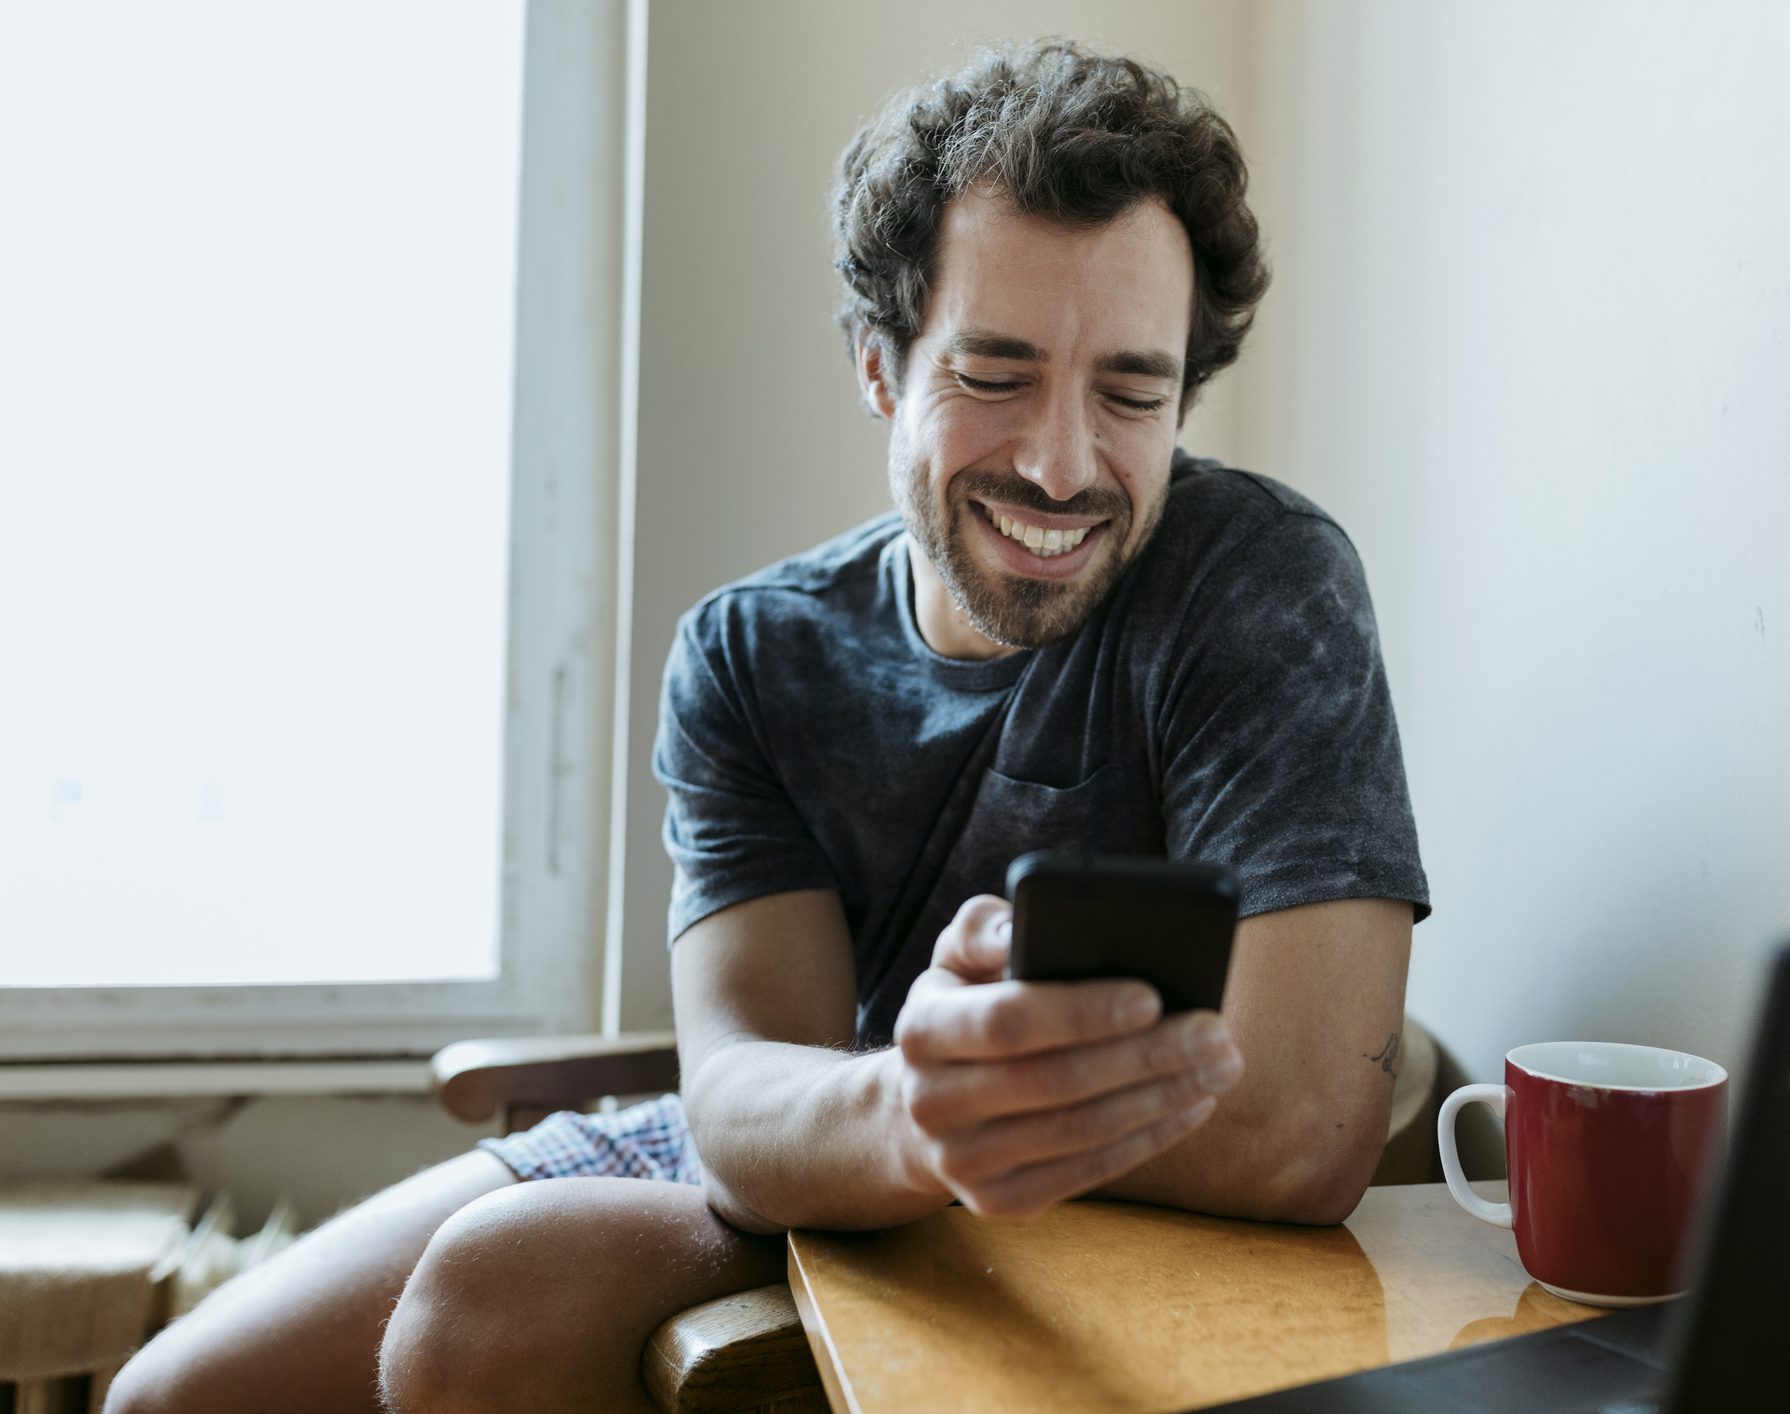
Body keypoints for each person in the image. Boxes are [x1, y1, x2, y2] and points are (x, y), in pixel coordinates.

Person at [108, 38, 1427, 1414]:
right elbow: (736, 1105)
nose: (1059, 462)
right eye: (993, 374)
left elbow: (1298, 1128)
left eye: (1130, 393)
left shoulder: (1260, 585)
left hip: (1028, 1192)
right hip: (829, 1140)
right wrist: (911, 1109)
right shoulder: (751, 654)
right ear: (878, 364)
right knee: (173, 1399)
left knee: (489, 1301)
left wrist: (917, 1121)